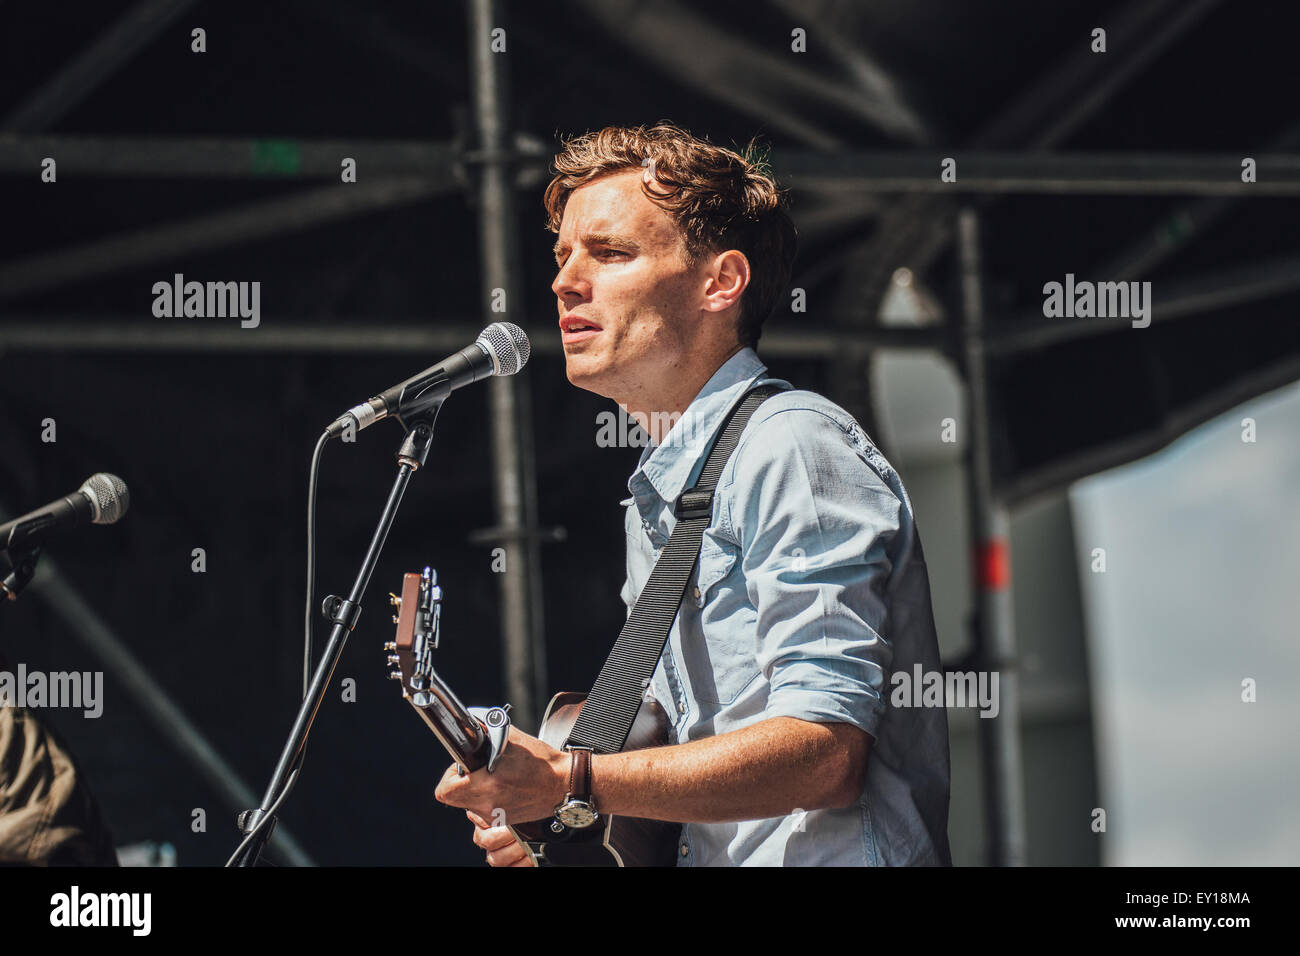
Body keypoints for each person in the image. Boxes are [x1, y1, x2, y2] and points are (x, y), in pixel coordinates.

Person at [435, 122, 951, 866]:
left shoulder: (789, 445)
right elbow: (691, 780)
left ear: (721, 282)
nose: (564, 281)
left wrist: (571, 778)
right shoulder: (666, 491)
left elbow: (827, 750)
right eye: (562, 255)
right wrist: (557, 827)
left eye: (609, 253)